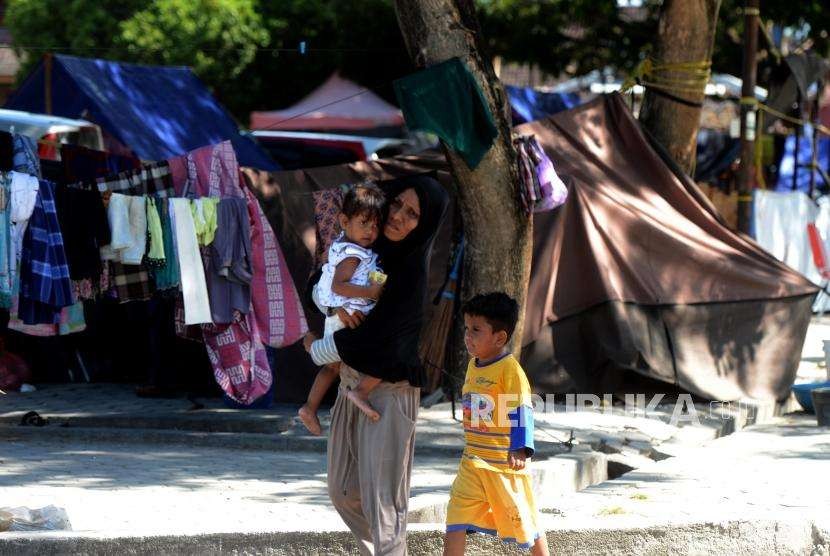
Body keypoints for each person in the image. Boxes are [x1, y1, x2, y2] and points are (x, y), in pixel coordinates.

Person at [304, 174, 448, 555]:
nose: (398, 216)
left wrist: (320, 349)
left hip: (387, 390)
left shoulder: (410, 274)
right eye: (397, 204)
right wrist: (335, 306)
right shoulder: (366, 245)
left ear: (426, 223)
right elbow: (316, 283)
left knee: (384, 505)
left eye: (413, 213)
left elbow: (378, 340)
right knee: (342, 491)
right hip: (351, 383)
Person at [443, 292, 549, 556]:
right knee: (455, 517)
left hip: (504, 466)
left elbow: (522, 408)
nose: (468, 335)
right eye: (467, 328)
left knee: (525, 520)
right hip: (473, 462)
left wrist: (520, 448)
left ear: (499, 337)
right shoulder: (472, 365)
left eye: (476, 330)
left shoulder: (510, 370)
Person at [298, 183, 387, 435]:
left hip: (344, 312)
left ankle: (310, 407)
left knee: (334, 367)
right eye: (364, 223)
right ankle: (311, 348)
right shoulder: (352, 254)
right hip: (343, 315)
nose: (371, 231)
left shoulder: (353, 247)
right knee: (334, 364)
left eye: (376, 225)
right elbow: (339, 285)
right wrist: (370, 293)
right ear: (344, 221)